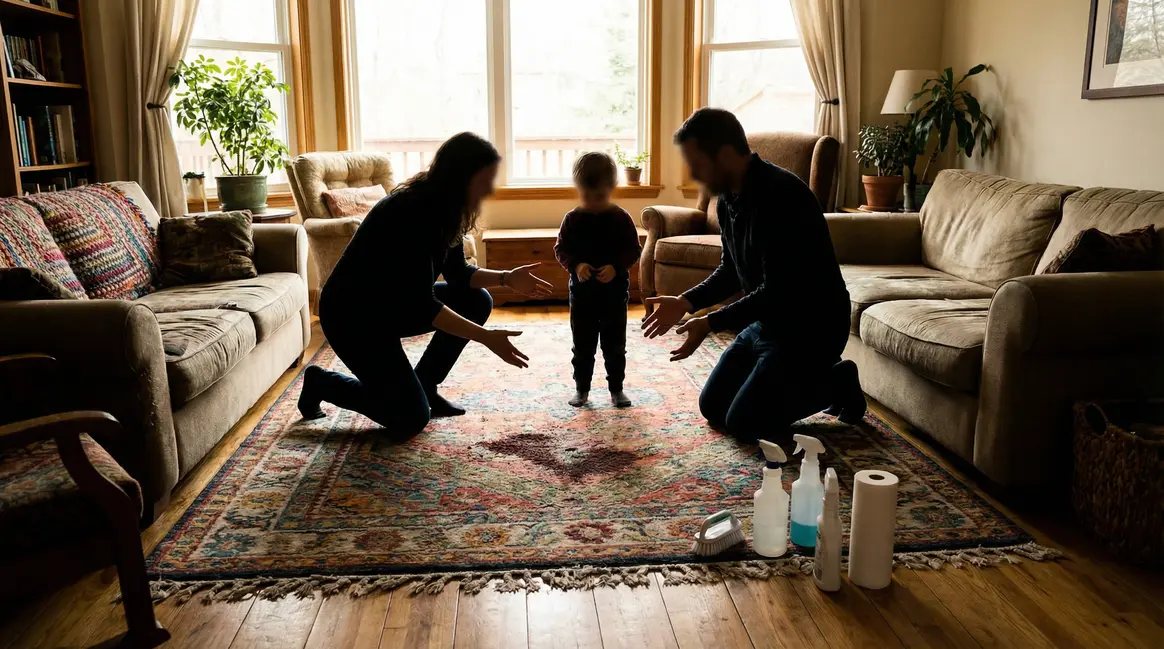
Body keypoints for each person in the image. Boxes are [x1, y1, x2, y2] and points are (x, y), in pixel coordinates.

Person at [298, 132, 554, 434]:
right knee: (409, 418)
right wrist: (485, 337)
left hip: (390, 305)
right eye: (486, 180)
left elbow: (459, 273)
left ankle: (425, 385)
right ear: (462, 177)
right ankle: (322, 382)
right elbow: (423, 306)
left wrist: (506, 278)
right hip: (353, 317)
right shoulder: (412, 211)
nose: (490, 189)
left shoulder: (449, 208)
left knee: (476, 299)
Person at [641, 108, 864, 441]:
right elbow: (731, 270)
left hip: (811, 328)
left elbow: (779, 292)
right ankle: (790, 381)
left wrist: (710, 322)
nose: (693, 173)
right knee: (713, 407)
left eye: (697, 163)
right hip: (768, 323)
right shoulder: (727, 200)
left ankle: (837, 382)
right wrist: (686, 302)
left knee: (744, 423)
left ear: (725, 154)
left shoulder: (783, 197)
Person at [553, 152, 642, 408]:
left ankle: (617, 389)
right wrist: (576, 265)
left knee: (615, 346)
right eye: (586, 195)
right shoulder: (572, 219)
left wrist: (616, 267)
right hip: (582, 297)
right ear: (578, 189)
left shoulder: (621, 218)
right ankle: (582, 389)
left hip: (614, 296)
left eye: (599, 196)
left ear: (612, 188)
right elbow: (561, 249)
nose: (592, 202)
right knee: (582, 346)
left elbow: (634, 249)